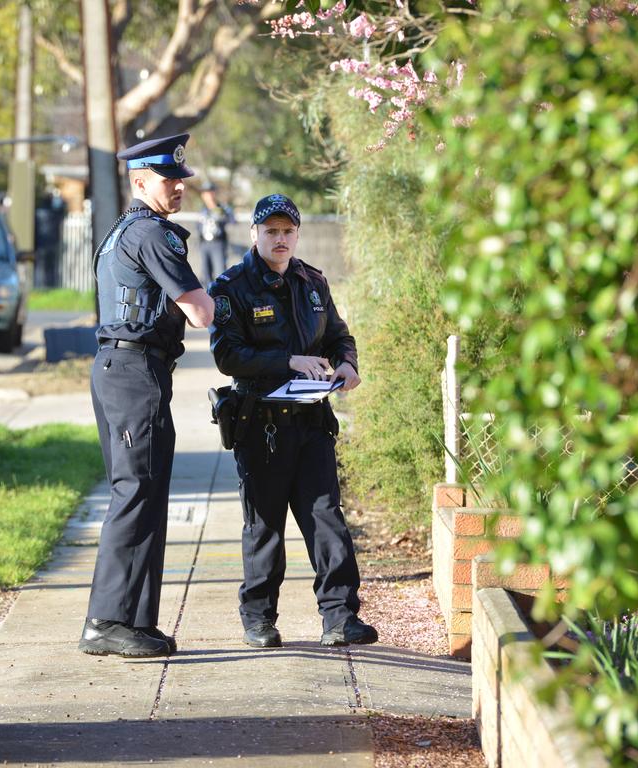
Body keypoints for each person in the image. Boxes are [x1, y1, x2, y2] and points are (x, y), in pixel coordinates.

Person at [208, 193, 378, 649]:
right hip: (260, 424)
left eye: (287, 232)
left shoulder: (312, 283)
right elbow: (227, 356)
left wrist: (347, 364)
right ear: (255, 234)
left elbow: (340, 335)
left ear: (297, 234)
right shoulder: (232, 287)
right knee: (264, 526)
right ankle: (259, 620)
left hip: (311, 421)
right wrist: (289, 361)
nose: (280, 239)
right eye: (271, 231)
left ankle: (340, 617)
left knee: (326, 518)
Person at [80, 133, 215, 658]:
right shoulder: (153, 235)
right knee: (135, 492)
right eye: (169, 179)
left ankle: (134, 620)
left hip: (127, 369)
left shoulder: (125, 231)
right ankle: (106, 621)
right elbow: (200, 312)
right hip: (135, 372)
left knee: (147, 491)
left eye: (181, 178)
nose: (178, 187)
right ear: (140, 182)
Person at [197, 182, 234, 285]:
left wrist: (218, 213)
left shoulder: (222, 208)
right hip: (205, 243)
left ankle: (222, 297)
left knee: (220, 272)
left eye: (210, 192)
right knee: (206, 274)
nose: (207, 196)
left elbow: (232, 220)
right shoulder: (202, 210)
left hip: (218, 243)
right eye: (205, 193)